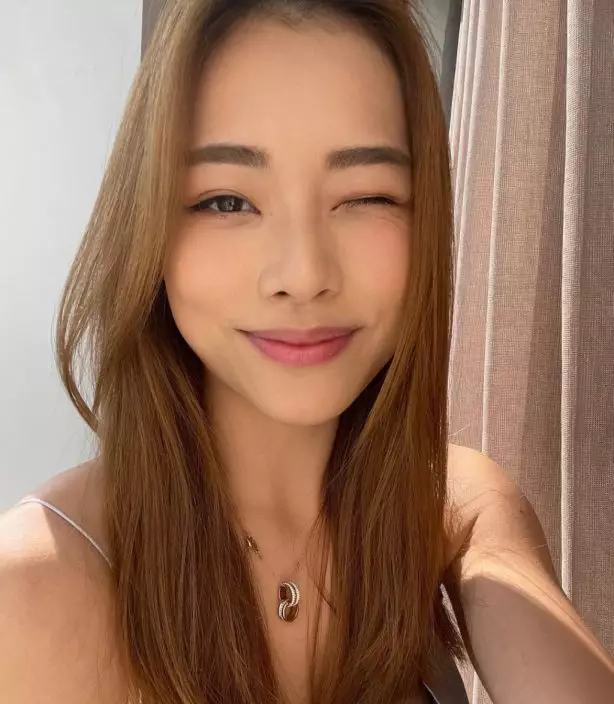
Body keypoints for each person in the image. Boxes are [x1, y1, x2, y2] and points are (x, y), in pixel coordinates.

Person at [1, 1, 613, 702]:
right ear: (149, 226)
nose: (303, 274)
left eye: (366, 197)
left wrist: (476, 548)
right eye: (227, 201)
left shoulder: (452, 505)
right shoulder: (32, 591)